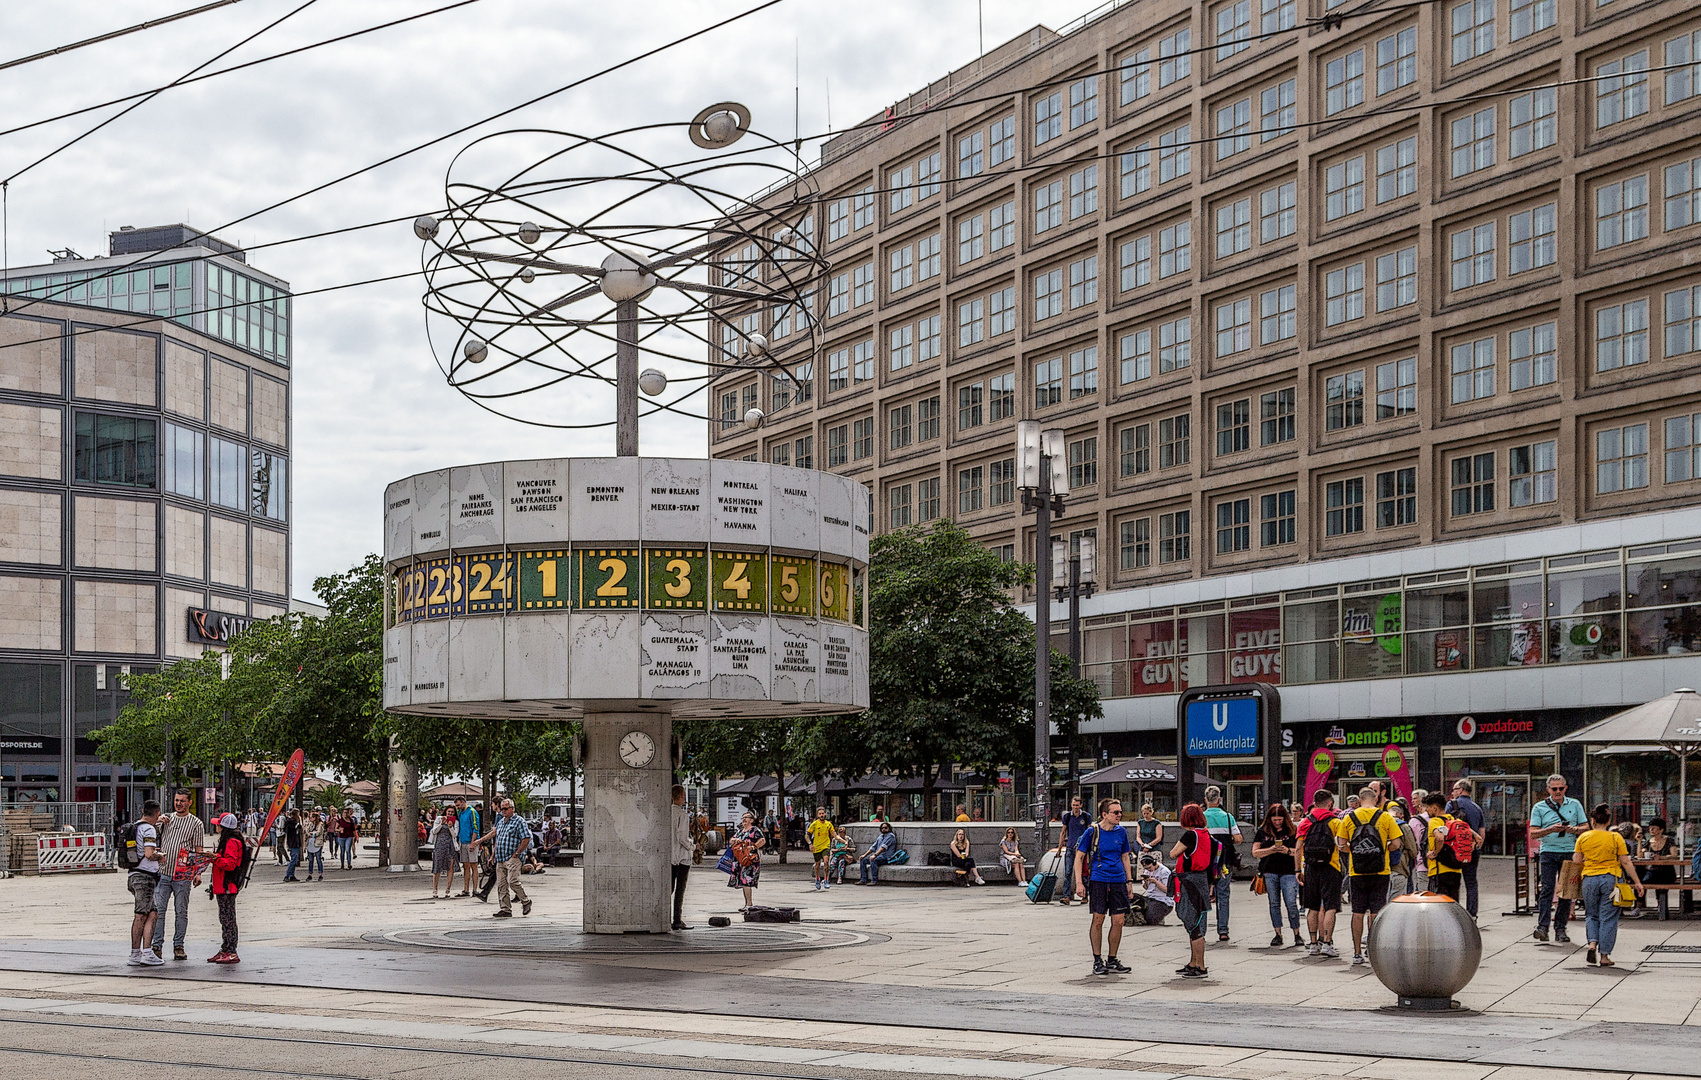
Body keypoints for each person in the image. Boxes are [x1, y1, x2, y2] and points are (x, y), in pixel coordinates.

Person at [1338, 785, 1402, 967]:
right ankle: (1372, 950)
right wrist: (1381, 849)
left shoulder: (1349, 817)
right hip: (1381, 870)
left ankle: (1357, 952)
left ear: (1359, 800)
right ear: (1375, 799)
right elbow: (1396, 844)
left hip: (1356, 871)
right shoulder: (1386, 816)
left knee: (1357, 912)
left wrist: (1357, 850)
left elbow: (1341, 844)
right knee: (1376, 911)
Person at [1575, 804, 1645, 966]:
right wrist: (1637, 882)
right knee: (1609, 917)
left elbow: (1577, 861)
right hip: (1611, 880)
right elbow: (1625, 862)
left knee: (1591, 914)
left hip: (1589, 879)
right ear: (1608, 822)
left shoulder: (1583, 838)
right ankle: (1604, 956)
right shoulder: (1615, 838)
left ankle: (1592, 944)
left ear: (1592, 821)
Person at [1072, 800, 1134, 976]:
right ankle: (1097, 959)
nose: (1119, 815)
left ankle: (1112, 958)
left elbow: (1125, 857)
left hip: (1118, 880)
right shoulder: (1092, 831)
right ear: (1104, 814)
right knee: (1098, 919)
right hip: (1099, 879)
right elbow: (1079, 857)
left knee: (1119, 921)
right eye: (1115, 812)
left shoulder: (1121, 832)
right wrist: (1079, 882)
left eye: (1120, 812)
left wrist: (1129, 881)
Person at [1530, 773, 1587, 943]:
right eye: (1554, 789)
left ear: (1565, 788)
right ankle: (1543, 926)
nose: (1557, 791)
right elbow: (1533, 832)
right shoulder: (1539, 807)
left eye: (1560, 788)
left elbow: (1585, 826)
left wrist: (1574, 830)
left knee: (1566, 891)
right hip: (1548, 851)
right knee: (1547, 889)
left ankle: (1560, 928)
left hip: (1569, 851)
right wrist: (1550, 829)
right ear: (1548, 789)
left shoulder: (1575, 804)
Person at [151, 790, 205, 961]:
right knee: (159, 910)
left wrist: (198, 872)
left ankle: (178, 945)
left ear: (190, 802)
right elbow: (149, 831)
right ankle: (156, 945)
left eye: (182, 801)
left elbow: (198, 849)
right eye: (176, 800)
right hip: (163, 871)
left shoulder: (196, 823)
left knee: (181, 910)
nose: (179, 803)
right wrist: (157, 821)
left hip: (183, 874)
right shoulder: (167, 819)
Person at [1169, 804, 1220, 978]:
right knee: (1194, 923)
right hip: (1202, 880)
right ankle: (1193, 962)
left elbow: (1173, 853)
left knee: (1194, 924)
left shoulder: (1190, 835)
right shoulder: (1206, 834)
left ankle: (1201, 966)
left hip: (1190, 881)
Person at [1295, 789, 1343, 959]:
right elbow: (1343, 844)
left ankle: (1313, 943)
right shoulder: (1336, 822)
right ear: (1330, 803)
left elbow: (1298, 848)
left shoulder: (1305, 822)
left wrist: (1298, 870)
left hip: (1310, 867)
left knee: (1312, 907)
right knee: (1331, 906)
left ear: (1314, 803)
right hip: (1331, 866)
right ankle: (1328, 943)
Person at [1252, 802, 1301, 947]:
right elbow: (1255, 852)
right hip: (1270, 871)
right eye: (1274, 820)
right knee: (1274, 903)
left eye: (1280, 820)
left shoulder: (1292, 830)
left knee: (1291, 902)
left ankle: (1296, 933)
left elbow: (1299, 852)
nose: (1277, 823)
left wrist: (1286, 850)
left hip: (1289, 871)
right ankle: (1278, 933)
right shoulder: (1263, 831)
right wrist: (1272, 849)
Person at [476, 799, 533, 918]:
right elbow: (496, 837)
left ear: (512, 808)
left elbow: (526, 838)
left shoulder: (519, 821)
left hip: (513, 856)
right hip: (500, 857)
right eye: (502, 809)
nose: (503, 811)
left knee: (513, 881)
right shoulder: (501, 822)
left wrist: (518, 853)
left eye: (506, 809)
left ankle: (526, 901)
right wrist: (492, 855)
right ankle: (505, 909)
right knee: (502, 884)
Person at [127, 800, 165, 967]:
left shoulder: (135, 827)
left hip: (134, 874)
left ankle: (144, 952)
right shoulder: (149, 829)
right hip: (145, 877)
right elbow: (149, 853)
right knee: (141, 914)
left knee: (152, 913)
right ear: (157, 813)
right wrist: (161, 856)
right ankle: (138, 953)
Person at [1202, 787, 1243, 942]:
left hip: (1205, 863)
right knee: (1223, 895)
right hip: (1224, 862)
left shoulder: (1201, 817)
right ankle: (1223, 930)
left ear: (1205, 800)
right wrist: (1225, 840)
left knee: (1203, 896)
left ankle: (1201, 931)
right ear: (1219, 800)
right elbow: (1239, 839)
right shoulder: (1227, 817)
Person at [208, 813, 248, 963]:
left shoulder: (231, 842)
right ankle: (225, 948)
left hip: (227, 886)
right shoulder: (229, 841)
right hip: (222, 886)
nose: (216, 826)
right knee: (224, 918)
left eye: (218, 824)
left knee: (228, 919)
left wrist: (215, 857)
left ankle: (231, 950)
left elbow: (230, 864)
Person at [1448, 779, 1486, 917]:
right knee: (1471, 882)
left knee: (1453, 881)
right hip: (1471, 849)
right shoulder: (1477, 808)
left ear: (1460, 790)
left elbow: (1446, 824)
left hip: (1454, 850)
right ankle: (1472, 913)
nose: (1452, 793)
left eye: (1454, 790)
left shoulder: (1452, 804)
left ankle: (1454, 913)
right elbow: (1482, 833)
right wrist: (1475, 846)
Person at [1422, 792, 1463, 901]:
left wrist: (1434, 853)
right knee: (1453, 904)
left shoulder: (1435, 821)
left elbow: (1439, 838)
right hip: (1456, 869)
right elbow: (1475, 837)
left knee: (1438, 905)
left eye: (1428, 807)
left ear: (1435, 808)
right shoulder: (1455, 820)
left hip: (1438, 871)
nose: (1426, 811)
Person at [1054, 796, 1091, 906]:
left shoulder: (1085, 816)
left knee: (1084, 873)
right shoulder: (1067, 817)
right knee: (1068, 872)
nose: (1075, 807)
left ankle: (1084, 896)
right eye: (1073, 805)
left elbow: (1089, 832)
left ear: (1081, 805)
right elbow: (1063, 832)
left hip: (1083, 849)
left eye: (1077, 805)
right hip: (1070, 847)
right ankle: (1066, 896)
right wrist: (1059, 848)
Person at [727, 811, 766, 908]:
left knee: (746, 881)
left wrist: (753, 847)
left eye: (746, 817)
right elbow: (731, 840)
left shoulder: (755, 830)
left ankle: (749, 904)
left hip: (750, 860)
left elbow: (762, 840)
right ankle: (747, 904)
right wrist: (736, 840)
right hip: (740, 859)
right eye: (742, 817)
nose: (744, 819)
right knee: (743, 881)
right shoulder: (740, 831)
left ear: (752, 820)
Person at [1641, 817, 1678, 919]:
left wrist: (1661, 857)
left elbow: (1674, 855)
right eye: (1650, 828)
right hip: (1653, 870)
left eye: (1654, 828)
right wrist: (1639, 841)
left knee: (1661, 884)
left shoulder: (1669, 840)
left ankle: (1661, 906)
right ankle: (1639, 905)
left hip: (1667, 871)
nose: (1651, 830)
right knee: (1640, 882)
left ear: (1661, 830)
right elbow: (1640, 855)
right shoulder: (1649, 842)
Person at [671, 786, 695, 930]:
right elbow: (682, 838)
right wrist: (693, 846)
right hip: (682, 858)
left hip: (669, 856)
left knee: (668, 889)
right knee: (680, 889)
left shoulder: (667, 813)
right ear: (680, 796)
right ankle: (677, 919)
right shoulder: (682, 815)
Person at [429, 807, 459, 898]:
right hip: (439, 845)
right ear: (445, 811)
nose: (450, 813)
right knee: (437, 866)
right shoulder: (439, 819)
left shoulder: (455, 822)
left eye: (452, 812)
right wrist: (441, 824)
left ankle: (448, 889)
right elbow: (434, 831)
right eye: (449, 811)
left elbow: (455, 835)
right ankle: (435, 889)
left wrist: (450, 827)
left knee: (450, 867)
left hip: (450, 845)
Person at [1139, 853, 1173, 926]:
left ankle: (1159, 917)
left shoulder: (1164, 871)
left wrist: (1156, 882)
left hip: (1162, 900)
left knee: (1150, 918)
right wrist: (1145, 881)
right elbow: (1146, 888)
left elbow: (1168, 890)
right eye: (1146, 869)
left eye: (1149, 867)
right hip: (1150, 897)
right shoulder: (1147, 871)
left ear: (1154, 863)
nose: (1148, 870)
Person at [456, 797, 480, 897]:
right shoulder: (460, 813)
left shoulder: (472, 811)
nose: (457, 807)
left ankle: (475, 889)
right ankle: (466, 889)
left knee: (474, 865)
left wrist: (472, 842)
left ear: (463, 802)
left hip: (471, 841)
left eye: (458, 805)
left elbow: (475, 827)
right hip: (463, 841)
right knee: (466, 866)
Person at [808, 806, 835, 892]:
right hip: (817, 847)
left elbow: (834, 834)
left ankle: (826, 879)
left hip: (826, 846)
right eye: (820, 814)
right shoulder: (814, 824)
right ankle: (817, 878)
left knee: (826, 862)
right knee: (818, 864)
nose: (822, 815)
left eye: (823, 813)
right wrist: (810, 844)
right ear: (817, 815)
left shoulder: (828, 824)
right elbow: (807, 835)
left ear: (825, 814)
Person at [282, 809, 303, 882]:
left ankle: (292, 875)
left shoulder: (291, 822)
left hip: (295, 842)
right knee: (293, 859)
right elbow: (299, 827)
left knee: (295, 859)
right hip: (293, 842)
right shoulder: (291, 822)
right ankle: (287, 875)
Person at [305, 811, 326, 882]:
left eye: (312, 817)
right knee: (310, 860)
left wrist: (313, 834)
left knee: (318, 859)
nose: (310, 818)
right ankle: (310, 874)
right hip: (310, 843)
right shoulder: (310, 824)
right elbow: (306, 830)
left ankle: (320, 874)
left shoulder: (321, 824)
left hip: (317, 843)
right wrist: (309, 834)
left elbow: (319, 832)